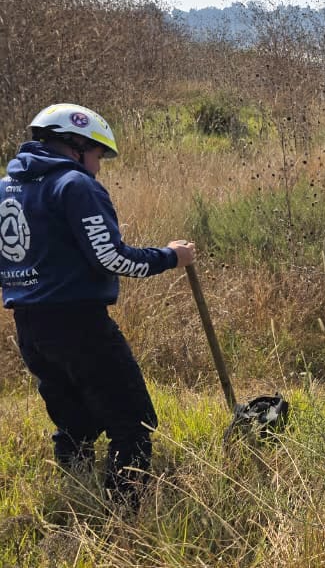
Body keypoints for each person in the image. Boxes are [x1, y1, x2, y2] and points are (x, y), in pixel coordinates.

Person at [0, 103, 196, 509]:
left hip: (29, 328)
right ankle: (125, 517)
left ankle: (77, 501)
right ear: (76, 145)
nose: (99, 167)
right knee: (133, 422)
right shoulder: (74, 185)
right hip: (80, 326)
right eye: (98, 155)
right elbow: (110, 257)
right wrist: (169, 257)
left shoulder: (6, 188)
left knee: (73, 424)